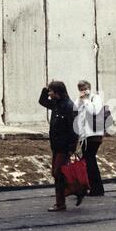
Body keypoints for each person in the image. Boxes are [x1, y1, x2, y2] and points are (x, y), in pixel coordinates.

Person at [39, 81, 80, 212]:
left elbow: (74, 129)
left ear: (57, 92)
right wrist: (45, 90)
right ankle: (78, 190)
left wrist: (71, 148)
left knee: (58, 173)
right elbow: (42, 102)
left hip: (64, 146)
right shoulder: (56, 104)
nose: (49, 94)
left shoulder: (69, 106)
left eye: (51, 91)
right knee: (57, 173)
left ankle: (60, 203)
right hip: (56, 146)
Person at [75, 80, 105, 197]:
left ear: (89, 88)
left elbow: (94, 111)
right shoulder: (80, 100)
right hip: (84, 136)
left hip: (94, 134)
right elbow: (75, 110)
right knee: (88, 160)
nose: (84, 91)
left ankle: (96, 189)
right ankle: (93, 187)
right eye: (81, 89)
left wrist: (86, 100)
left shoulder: (95, 98)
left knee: (89, 160)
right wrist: (80, 100)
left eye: (85, 88)